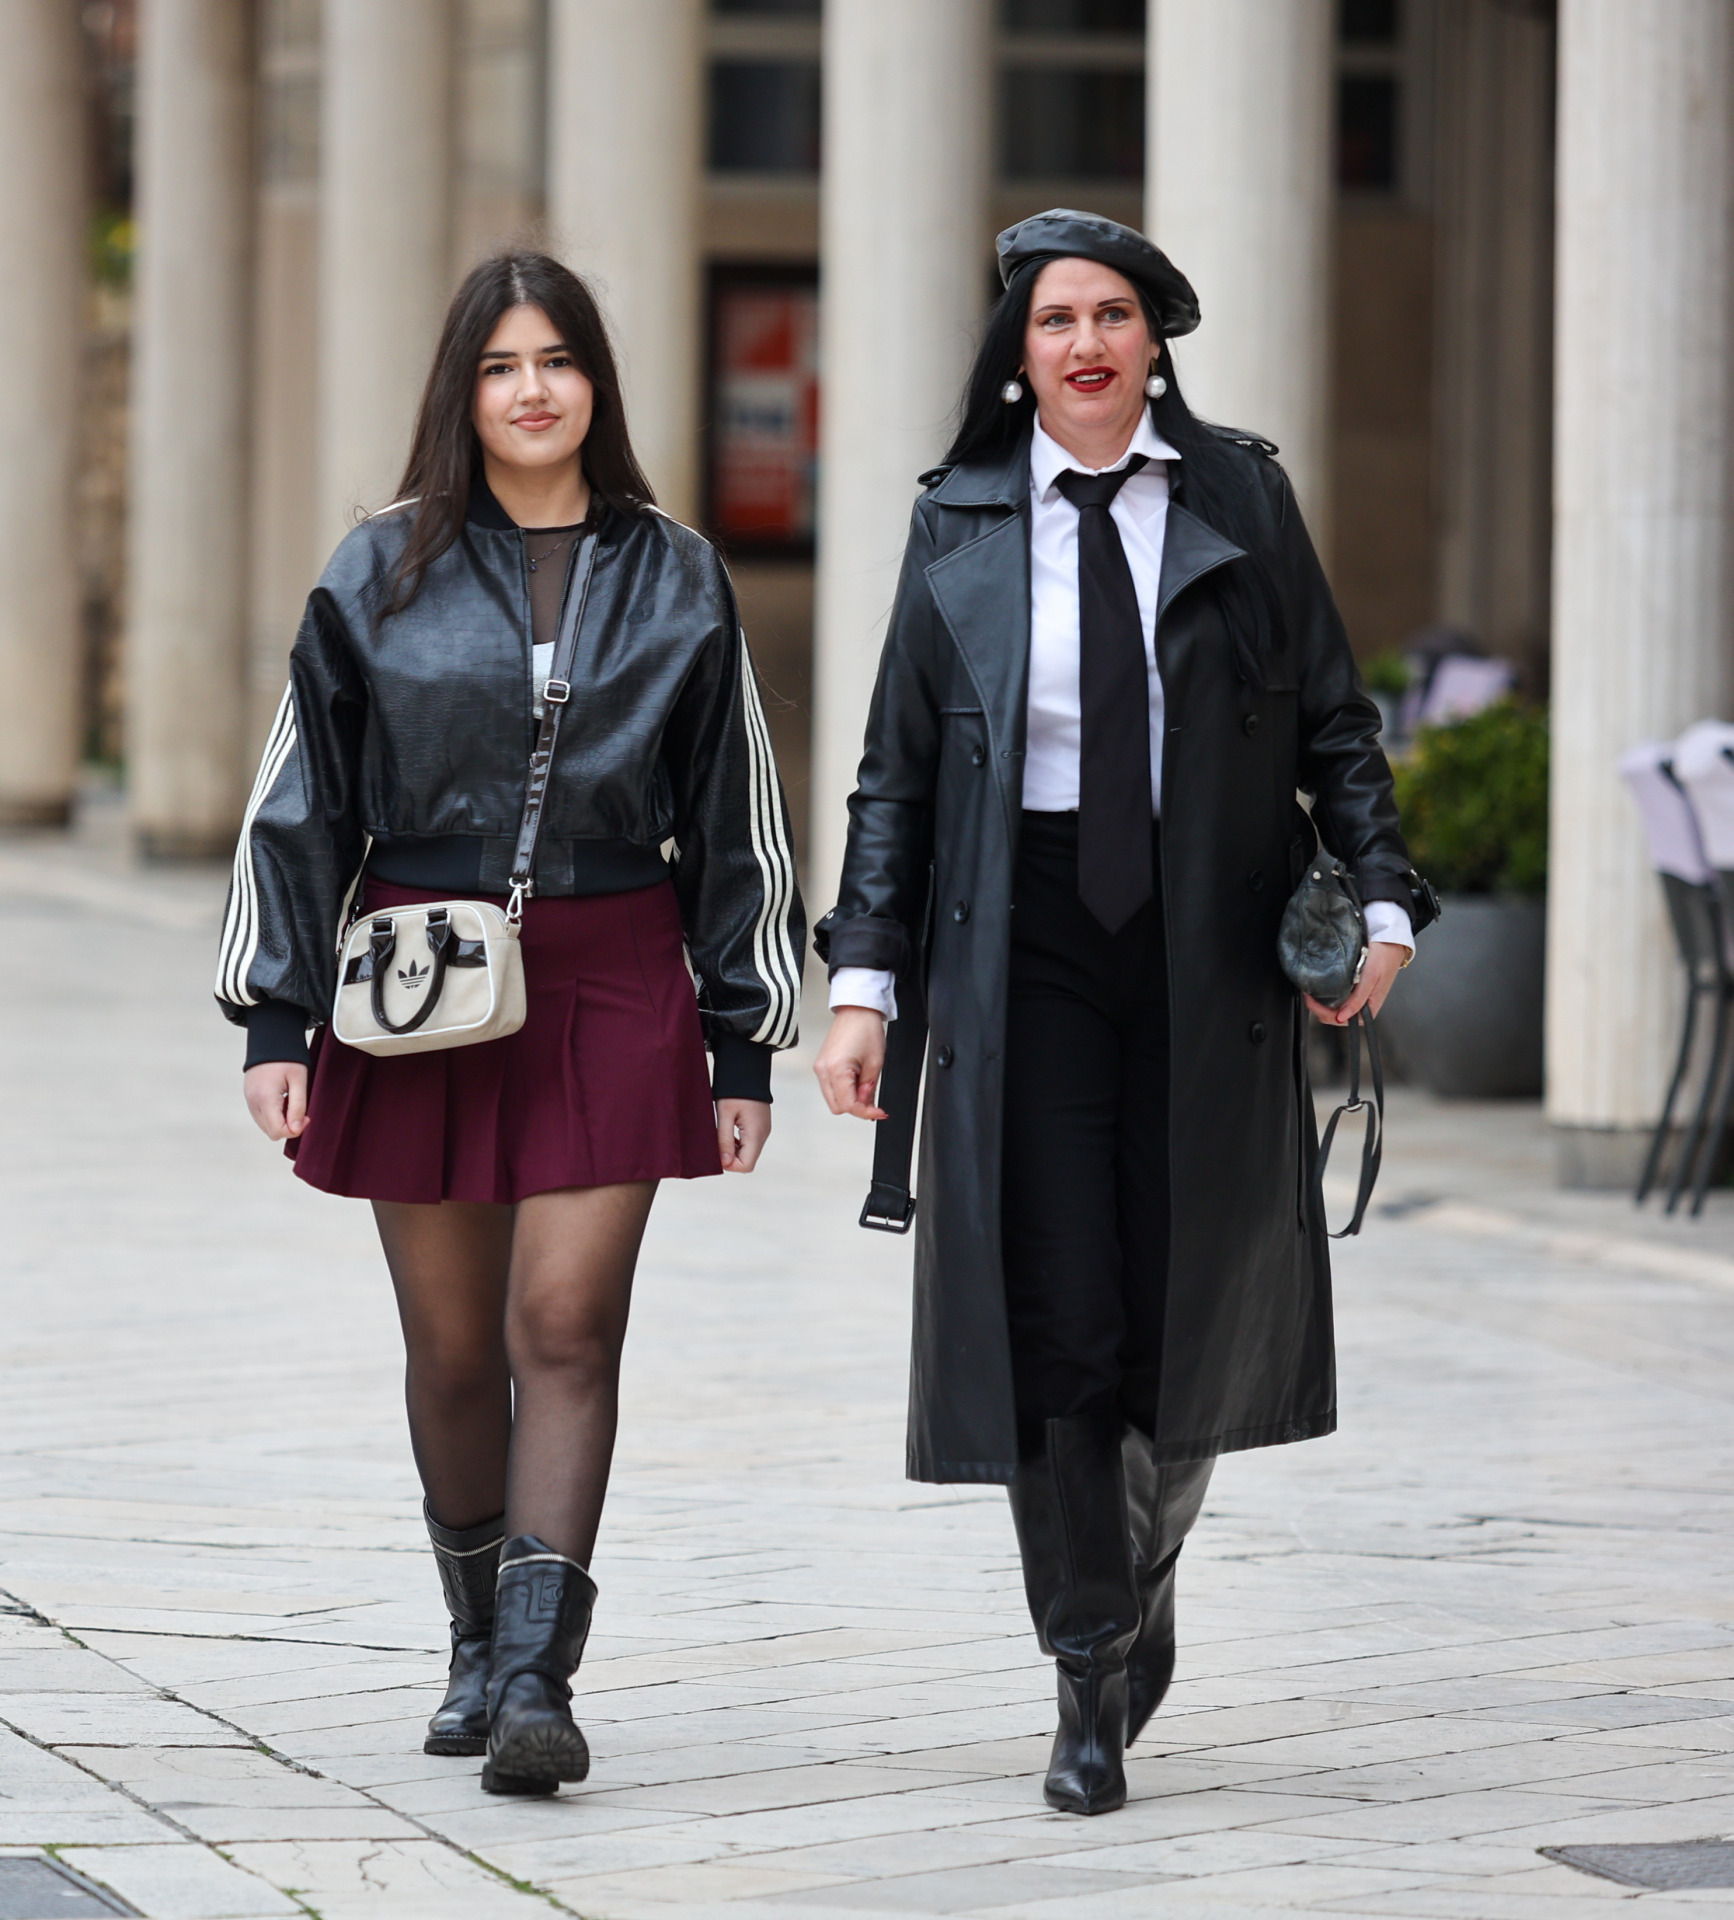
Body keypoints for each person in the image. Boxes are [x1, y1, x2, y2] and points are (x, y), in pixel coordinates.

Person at [813, 209, 1431, 1816]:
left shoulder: (1239, 495)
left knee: (1179, 1313)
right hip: (1019, 950)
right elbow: (892, 772)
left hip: (1202, 947)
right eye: (1052, 320)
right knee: (1057, 1316)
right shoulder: (957, 514)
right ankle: (1085, 1662)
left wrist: (1379, 896)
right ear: (1015, 355)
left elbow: (1333, 721)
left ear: (1153, 338)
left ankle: (1138, 1582)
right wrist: (863, 981)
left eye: (1110, 314)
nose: (1082, 343)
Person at [218, 250, 804, 1797]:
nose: (532, 390)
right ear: (461, 393)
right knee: (454, 1347)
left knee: (565, 1324)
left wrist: (742, 1036)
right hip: (419, 977)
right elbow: (299, 798)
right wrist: (275, 1015)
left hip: (616, 970)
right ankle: (475, 1639)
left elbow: (734, 808)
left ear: (595, 380)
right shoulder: (378, 566)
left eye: (556, 360)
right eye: (500, 366)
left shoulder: (675, 570)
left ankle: (541, 1678)